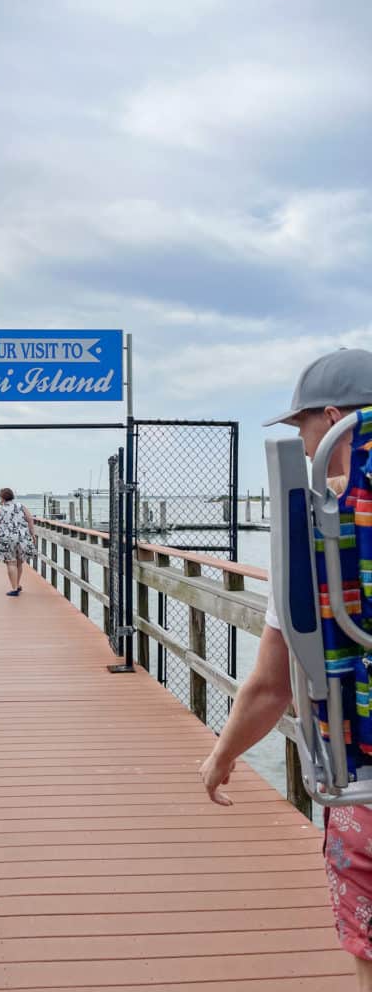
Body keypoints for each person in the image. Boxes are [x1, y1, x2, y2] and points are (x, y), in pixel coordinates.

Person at [198, 348, 372, 989]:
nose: (302, 444)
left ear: (332, 422)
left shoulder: (314, 544)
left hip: (363, 779)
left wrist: (221, 757)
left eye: (302, 429)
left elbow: (272, 686)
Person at [0, 487, 36, 595]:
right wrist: (33, 534)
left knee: (11, 562)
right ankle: (17, 585)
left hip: (6, 538)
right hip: (21, 536)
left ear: (2, 498)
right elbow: (30, 519)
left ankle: (14, 588)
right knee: (19, 562)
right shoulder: (21, 506)